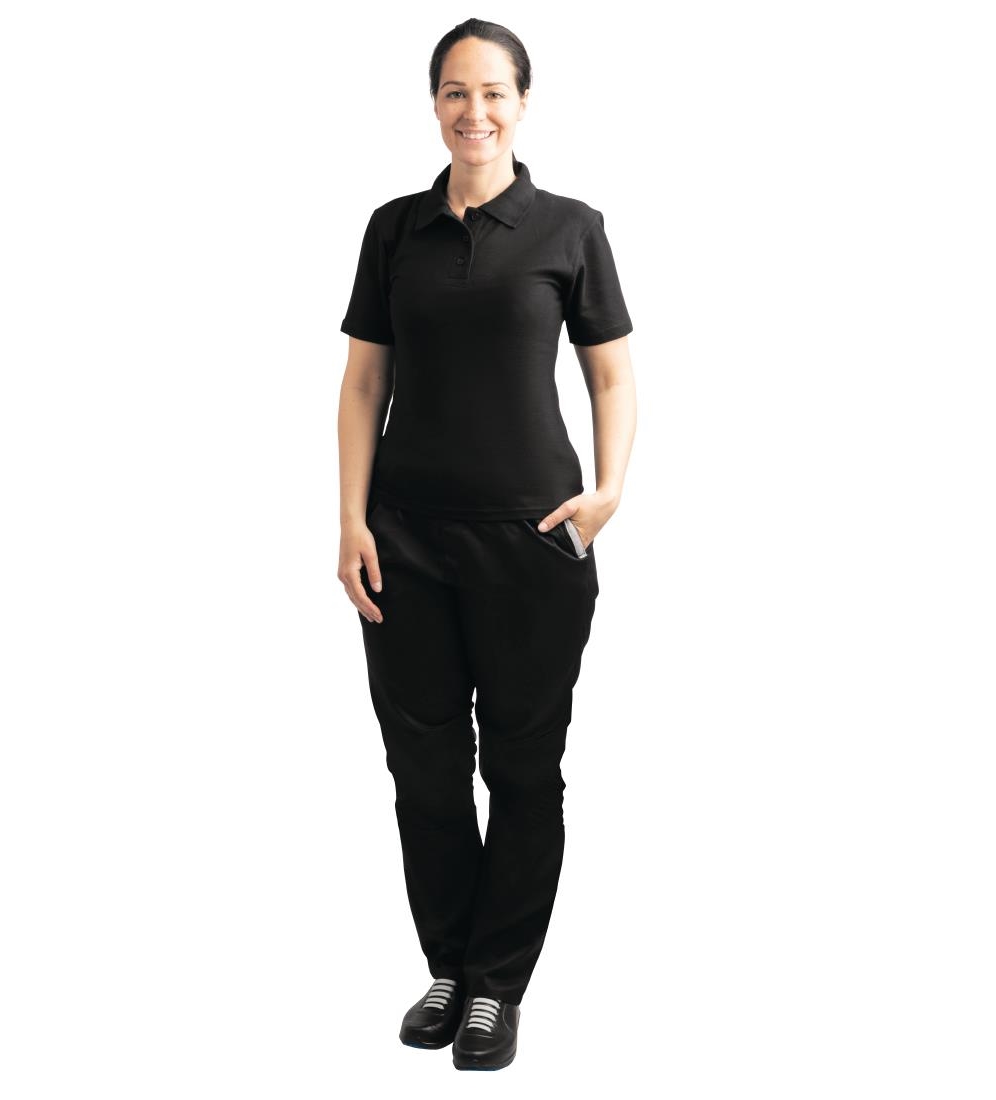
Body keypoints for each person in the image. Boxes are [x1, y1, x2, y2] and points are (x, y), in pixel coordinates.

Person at [336, 18, 636, 1072]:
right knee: (422, 767)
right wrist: (350, 520)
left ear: (522, 103)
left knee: (521, 764)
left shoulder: (570, 229)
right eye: (456, 92)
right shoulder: (393, 230)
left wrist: (606, 492)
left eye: (494, 92)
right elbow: (362, 383)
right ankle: (448, 965)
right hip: (404, 542)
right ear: (434, 103)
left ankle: (496, 984)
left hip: (531, 543)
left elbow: (610, 372)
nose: (475, 112)